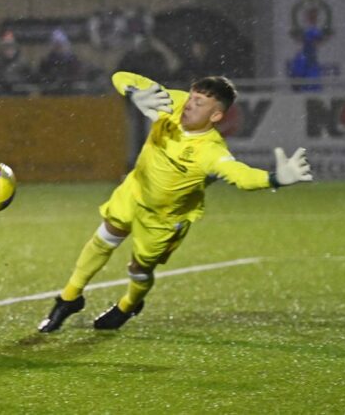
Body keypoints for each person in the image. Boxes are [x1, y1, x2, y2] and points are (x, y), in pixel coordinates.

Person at [37, 72, 313, 333]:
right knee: (104, 238)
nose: (189, 104)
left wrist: (275, 179)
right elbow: (121, 76)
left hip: (165, 218)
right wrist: (134, 92)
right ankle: (69, 298)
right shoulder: (172, 102)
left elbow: (241, 176)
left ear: (215, 115)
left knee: (138, 268)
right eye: (192, 97)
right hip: (134, 190)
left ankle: (129, 305)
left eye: (199, 103)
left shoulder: (211, 152)